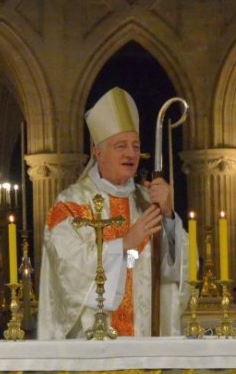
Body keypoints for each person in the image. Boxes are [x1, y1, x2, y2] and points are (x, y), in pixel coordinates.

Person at [38, 87, 188, 338]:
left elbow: (173, 271)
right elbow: (67, 271)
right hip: (92, 340)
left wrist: (169, 215)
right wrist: (125, 244)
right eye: (121, 146)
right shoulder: (71, 204)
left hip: (144, 336)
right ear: (98, 152)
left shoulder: (146, 201)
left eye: (135, 145)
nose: (131, 153)